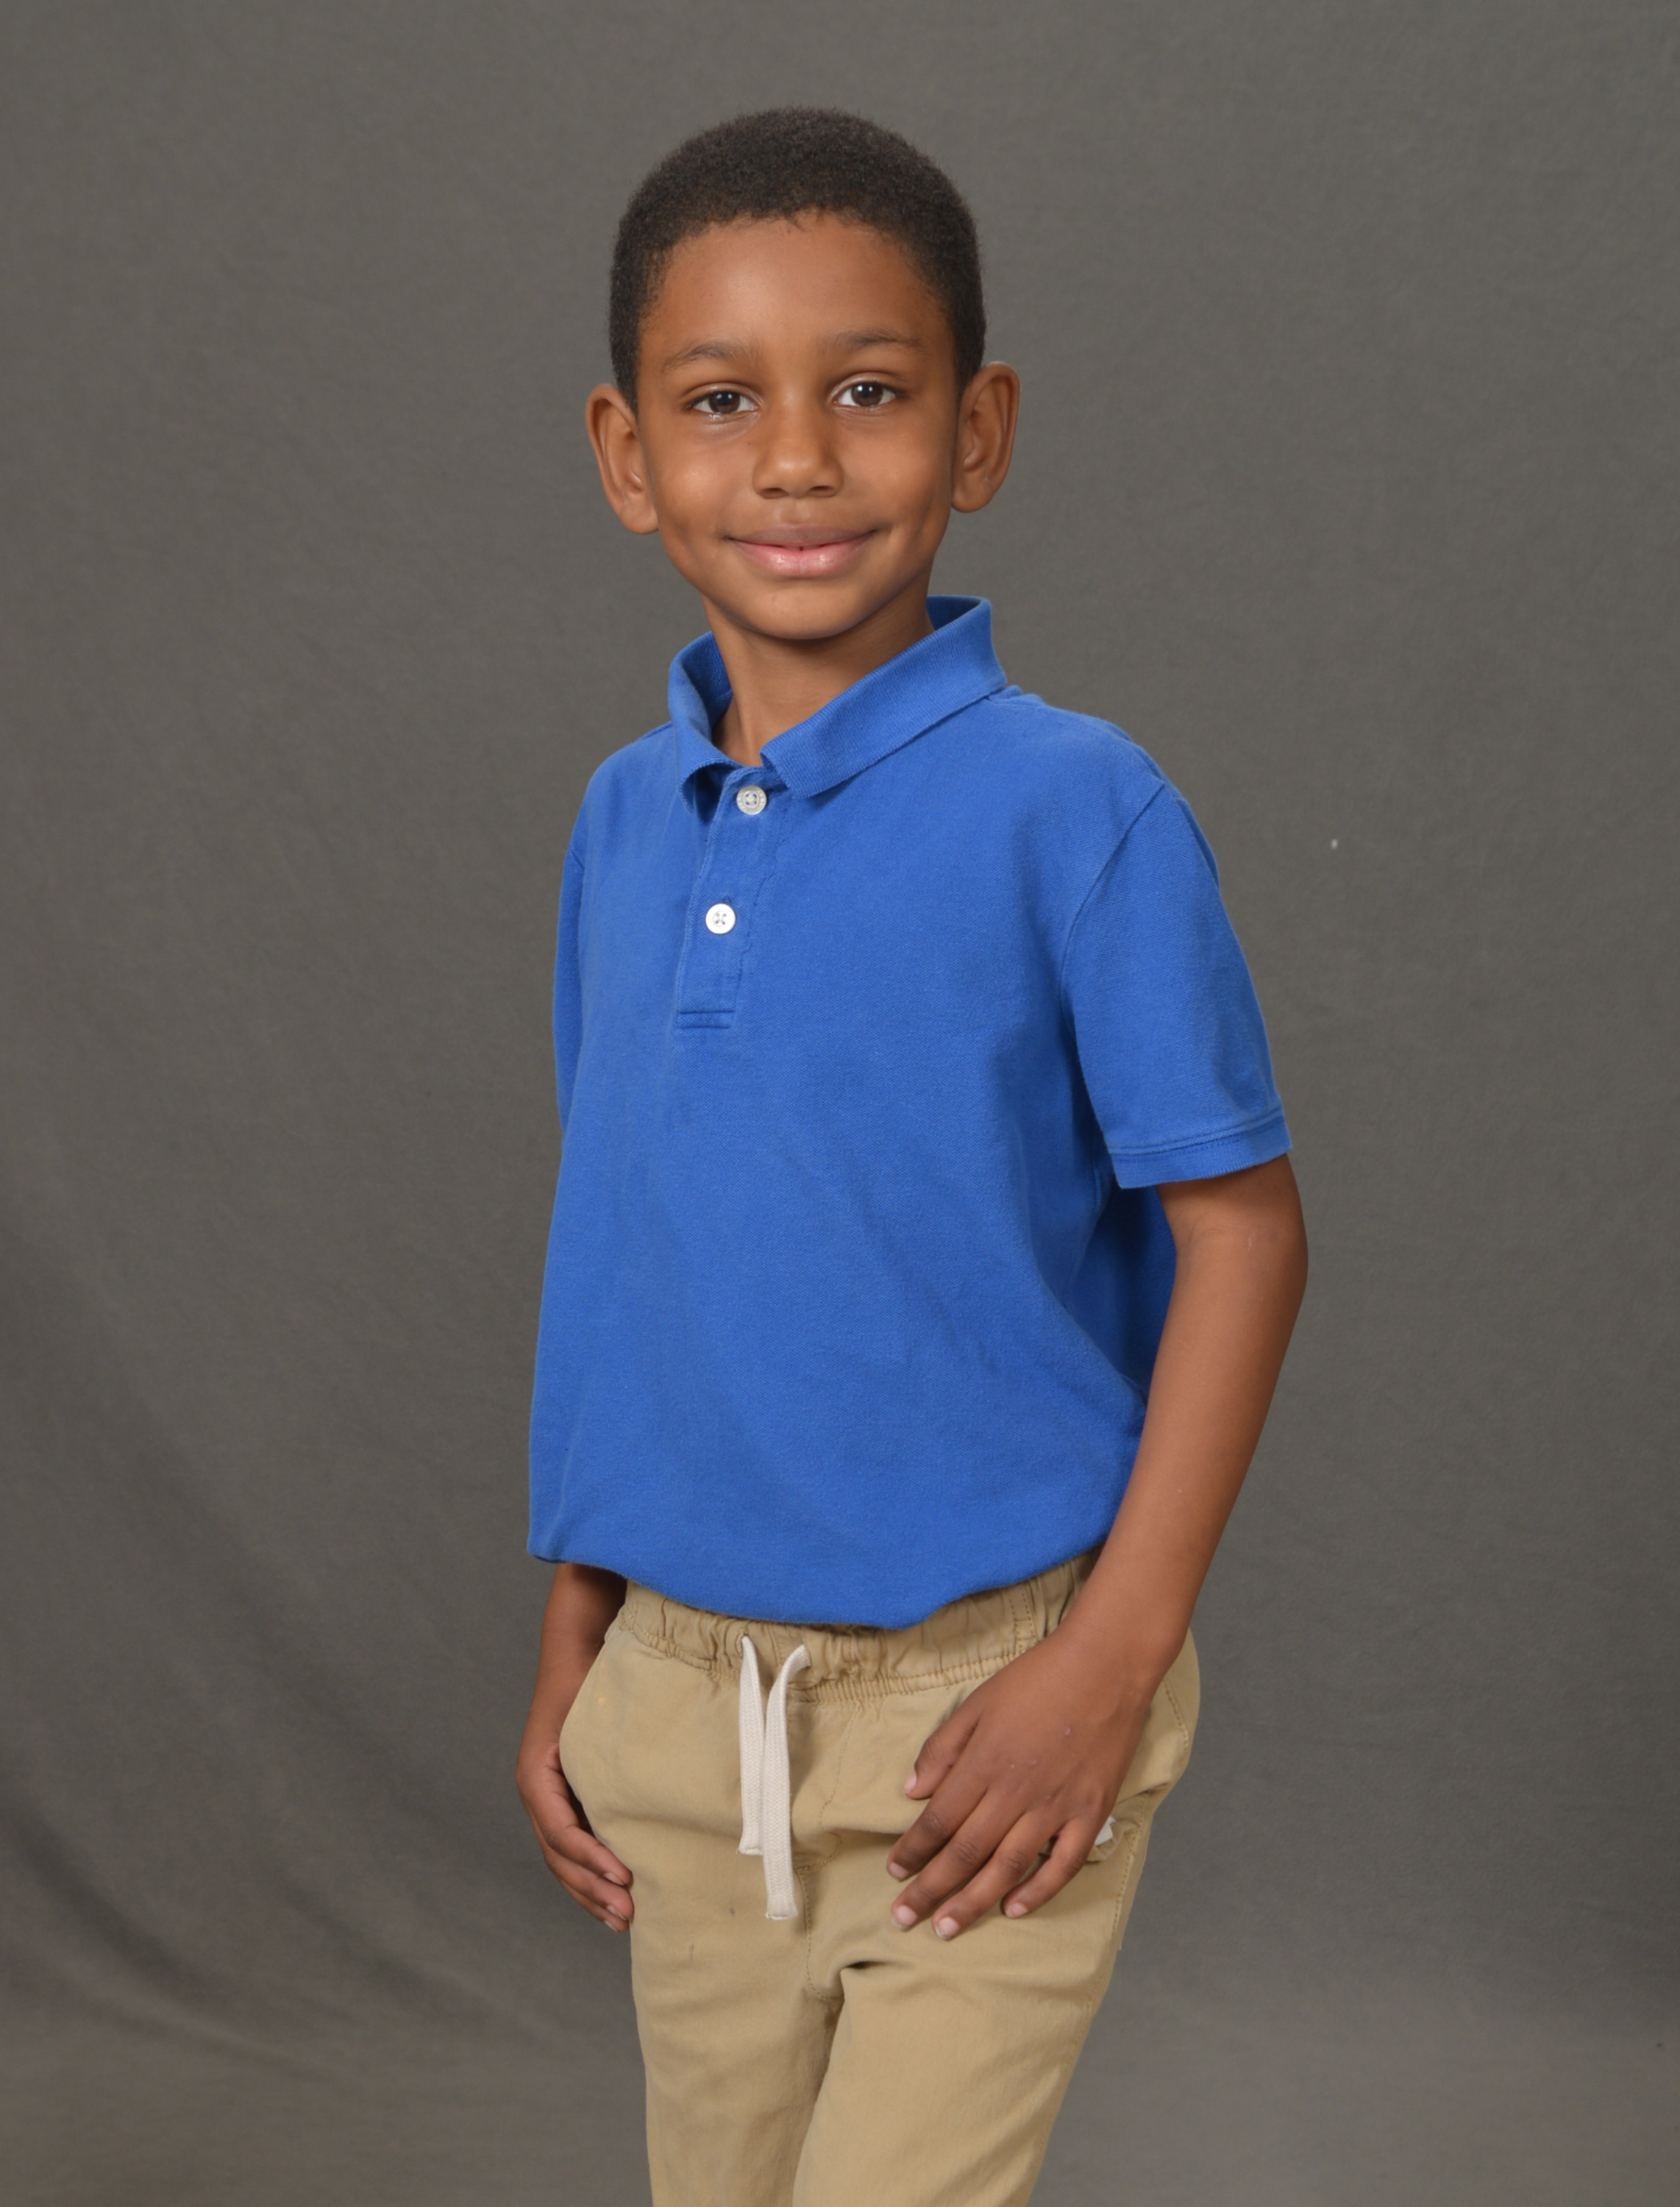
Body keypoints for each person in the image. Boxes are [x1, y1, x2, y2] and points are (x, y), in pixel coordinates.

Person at [515, 107, 1308, 2207]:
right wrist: (582, 1624)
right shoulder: (621, 822)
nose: (796, 460)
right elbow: (629, 1236)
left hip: (991, 1714)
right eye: (722, 403)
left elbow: (1243, 1238)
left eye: (867, 392)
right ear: (626, 456)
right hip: (681, 1706)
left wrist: (1109, 1660)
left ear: (979, 430)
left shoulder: (1080, 810)